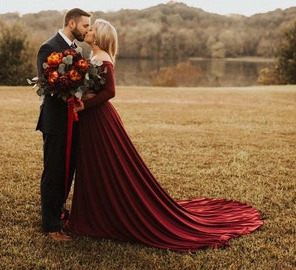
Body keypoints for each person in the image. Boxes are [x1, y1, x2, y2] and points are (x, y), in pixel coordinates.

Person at [66, 19, 263, 252]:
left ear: (100, 37)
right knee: (94, 165)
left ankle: (104, 215)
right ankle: (94, 213)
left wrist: (85, 106)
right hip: (92, 119)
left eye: (92, 29)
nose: (88, 31)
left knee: (108, 166)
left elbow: (110, 91)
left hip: (99, 119)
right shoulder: (93, 57)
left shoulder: (103, 59)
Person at [36, 8, 91, 241]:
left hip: (74, 120)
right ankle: (50, 227)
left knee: (68, 171)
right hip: (56, 121)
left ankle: (58, 212)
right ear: (72, 23)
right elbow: (48, 83)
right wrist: (69, 87)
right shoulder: (48, 48)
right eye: (85, 26)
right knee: (54, 172)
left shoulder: (77, 49)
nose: (88, 30)